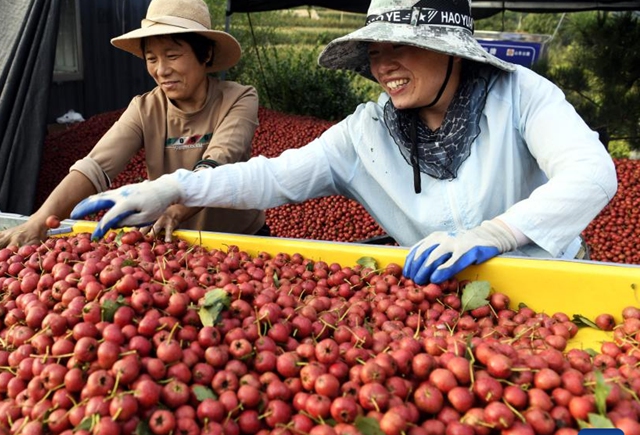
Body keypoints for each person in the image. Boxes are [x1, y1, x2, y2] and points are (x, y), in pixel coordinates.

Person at [69, 0, 617, 286]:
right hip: (434, 296)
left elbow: (592, 173)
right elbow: (273, 176)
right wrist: (170, 187)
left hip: (553, 284)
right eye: (374, 51)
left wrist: (495, 233)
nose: (383, 66)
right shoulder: (367, 131)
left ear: (453, 50)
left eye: (401, 46)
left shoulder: (521, 94)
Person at [0, 0, 266, 248]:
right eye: (151, 59)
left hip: (240, 242)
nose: (161, 70)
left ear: (204, 55)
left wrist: (175, 210)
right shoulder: (144, 108)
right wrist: (40, 220)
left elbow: (218, 161)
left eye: (172, 56)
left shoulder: (238, 98)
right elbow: (95, 166)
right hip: (175, 241)